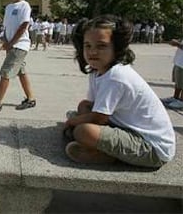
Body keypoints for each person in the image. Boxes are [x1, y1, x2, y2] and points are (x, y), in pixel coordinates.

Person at [64, 15, 175, 167]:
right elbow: (94, 107)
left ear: (116, 48)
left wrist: (71, 122)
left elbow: (99, 118)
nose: (92, 52)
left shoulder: (116, 76)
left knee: (82, 131)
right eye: (87, 46)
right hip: (126, 127)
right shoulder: (97, 71)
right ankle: (97, 145)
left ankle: (105, 155)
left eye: (101, 46)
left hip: (152, 148)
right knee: (84, 105)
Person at [0, 0, 36, 113]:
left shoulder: (25, 6)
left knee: (5, 73)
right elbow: (6, 27)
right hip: (11, 45)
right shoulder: (8, 7)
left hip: (19, 45)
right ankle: (31, 99)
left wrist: (11, 43)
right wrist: (4, 41)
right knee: (21, 72)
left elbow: (23, 26)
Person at [161, 38, 183, 109]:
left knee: (182, 83)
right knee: (178, 82)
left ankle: (181, 101)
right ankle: (175, 98)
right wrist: (178, 42)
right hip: (179, 61)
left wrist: (177, 44)